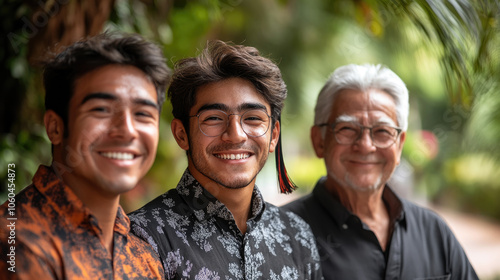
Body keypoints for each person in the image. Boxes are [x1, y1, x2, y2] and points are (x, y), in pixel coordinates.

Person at [128, 40, 322, 279]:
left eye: (252, 118)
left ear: (273, 136)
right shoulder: (143, 235)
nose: (235, 135)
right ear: (181, 134)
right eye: (213, 118)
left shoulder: (296, 235)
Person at [283, 64, 478, 280]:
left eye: (382, 131)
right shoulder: (279, 236)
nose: (366, 146)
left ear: (400, 145)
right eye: (347, 129)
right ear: (318, 140)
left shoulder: (434, 232)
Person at [0, 33, 170, 279]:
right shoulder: (18, 244)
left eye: (143, 114)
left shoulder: (144, 257)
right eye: (101, 110)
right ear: (55, 127)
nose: (127, 130)